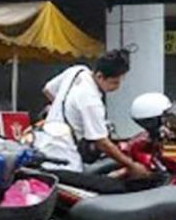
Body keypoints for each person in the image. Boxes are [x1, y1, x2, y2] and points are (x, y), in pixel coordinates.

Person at [36, 49, 149, 181]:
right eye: (114, 82)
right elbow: (102, 142)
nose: (117, 87)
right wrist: (132, 165)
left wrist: (64, 110)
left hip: (43, 149)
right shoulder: (91, 100)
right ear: (100, 76)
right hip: (65, 161)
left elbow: (48, 90)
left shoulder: (77, 71)